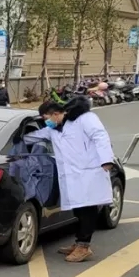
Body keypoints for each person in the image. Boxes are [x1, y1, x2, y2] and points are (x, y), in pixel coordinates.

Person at [21, 97, 115, 262]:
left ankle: (83, 247)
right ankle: (79, 243)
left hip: (89, 172)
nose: (46, 122)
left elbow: (100, 136)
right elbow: (35, 136)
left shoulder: (85, 119)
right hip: (73, 176)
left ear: (55, 114)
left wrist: (106, 160)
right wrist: (18, 138)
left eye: (46, 118)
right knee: (78, 210)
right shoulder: (54, 129)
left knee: (87, 210)